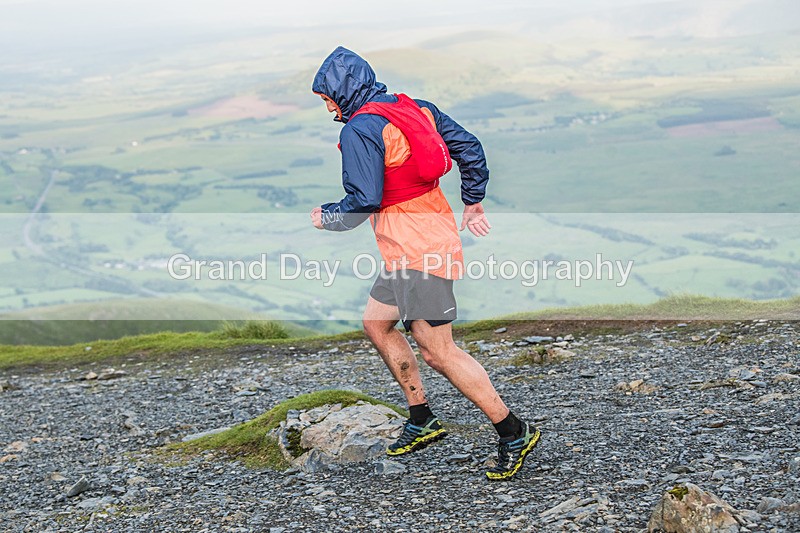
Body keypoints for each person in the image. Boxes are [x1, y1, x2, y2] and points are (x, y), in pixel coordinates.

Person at [309, 46, 539, 480]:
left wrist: (328, 217)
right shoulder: (414, 108)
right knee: (377, 323)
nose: (327, 108)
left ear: (344, 91)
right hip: (417, 238)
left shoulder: (361, 128)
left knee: (437, 350)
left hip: (416, 247)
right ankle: (422, 418)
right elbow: (468, 147)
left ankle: (513, 430)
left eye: (328, 99)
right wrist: (473, 201)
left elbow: (364, 201)